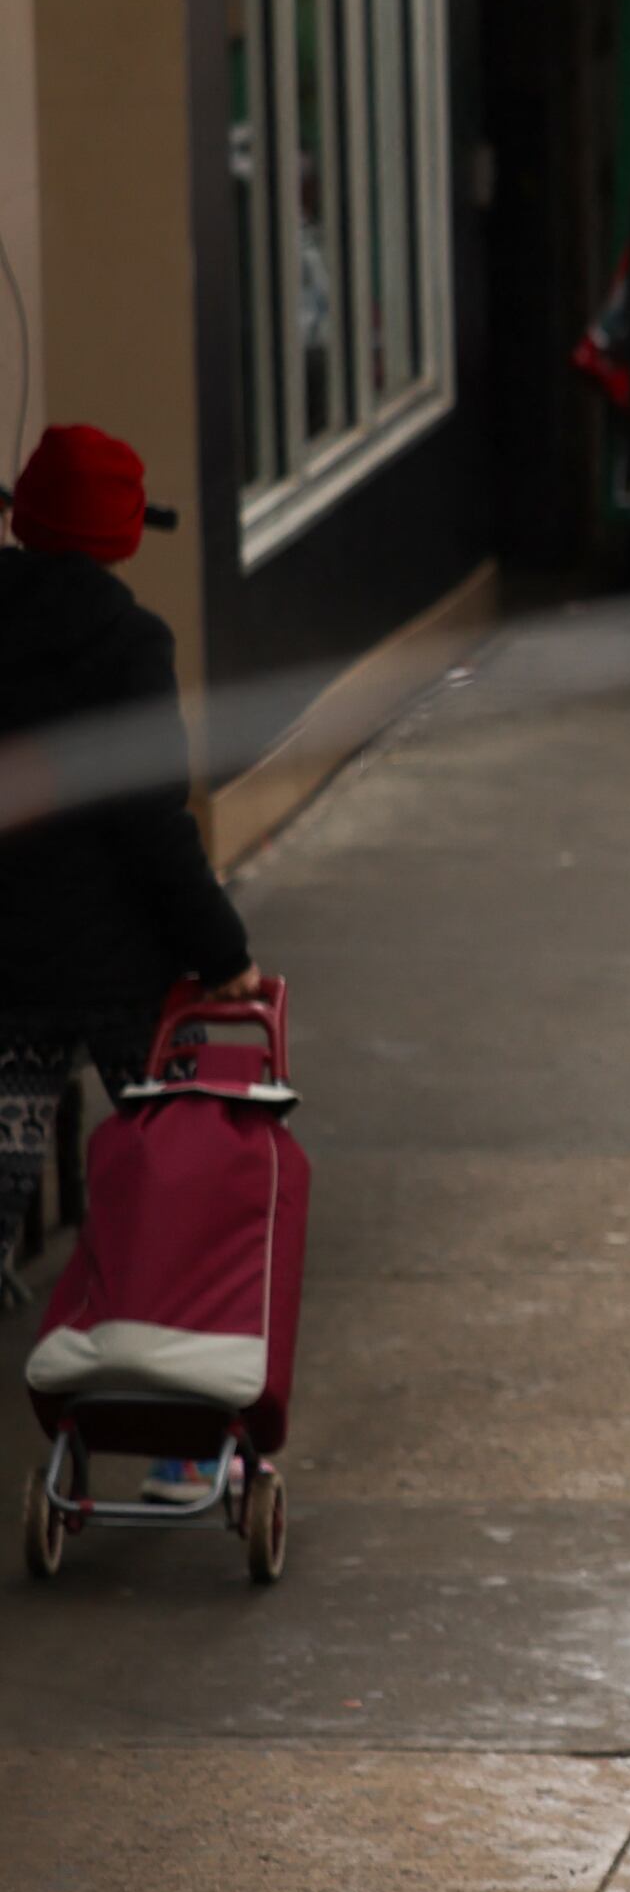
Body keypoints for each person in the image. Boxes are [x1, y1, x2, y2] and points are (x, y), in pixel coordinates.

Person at [0, 426, 254, 1271]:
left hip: (8, 975)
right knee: (176, 1176)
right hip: (118, 975)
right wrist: (222, 950)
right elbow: (153, 821)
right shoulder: (128, 641)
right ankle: (164, 1351)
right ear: (122, 533)